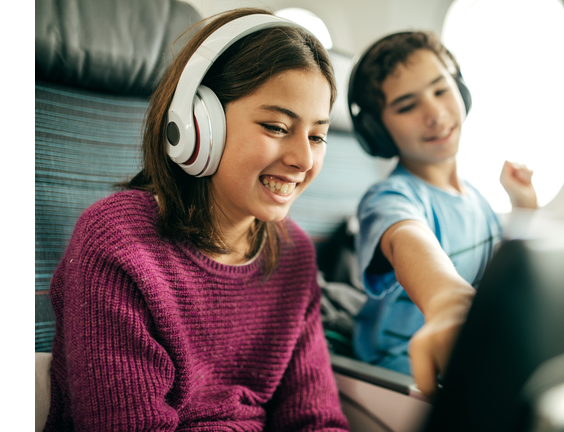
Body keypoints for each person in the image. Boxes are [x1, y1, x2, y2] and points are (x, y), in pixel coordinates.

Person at [44, 8, 350, 431]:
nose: (302, 159)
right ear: (198, 125)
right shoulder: (116, 243)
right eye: (277, 127)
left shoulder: (293, 254)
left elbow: (316, 420)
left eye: (317, 135)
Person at [347, 31, 538, 399]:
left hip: (464, 359)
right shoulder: (388, 198)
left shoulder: (476, 198)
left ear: (461, 91)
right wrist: (448, 301)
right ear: (378, 132)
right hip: (398, 378)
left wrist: (523, 207)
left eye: (440, 90)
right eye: (406, 106)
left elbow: (498, 273)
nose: (434, 114)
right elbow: (408, 239)